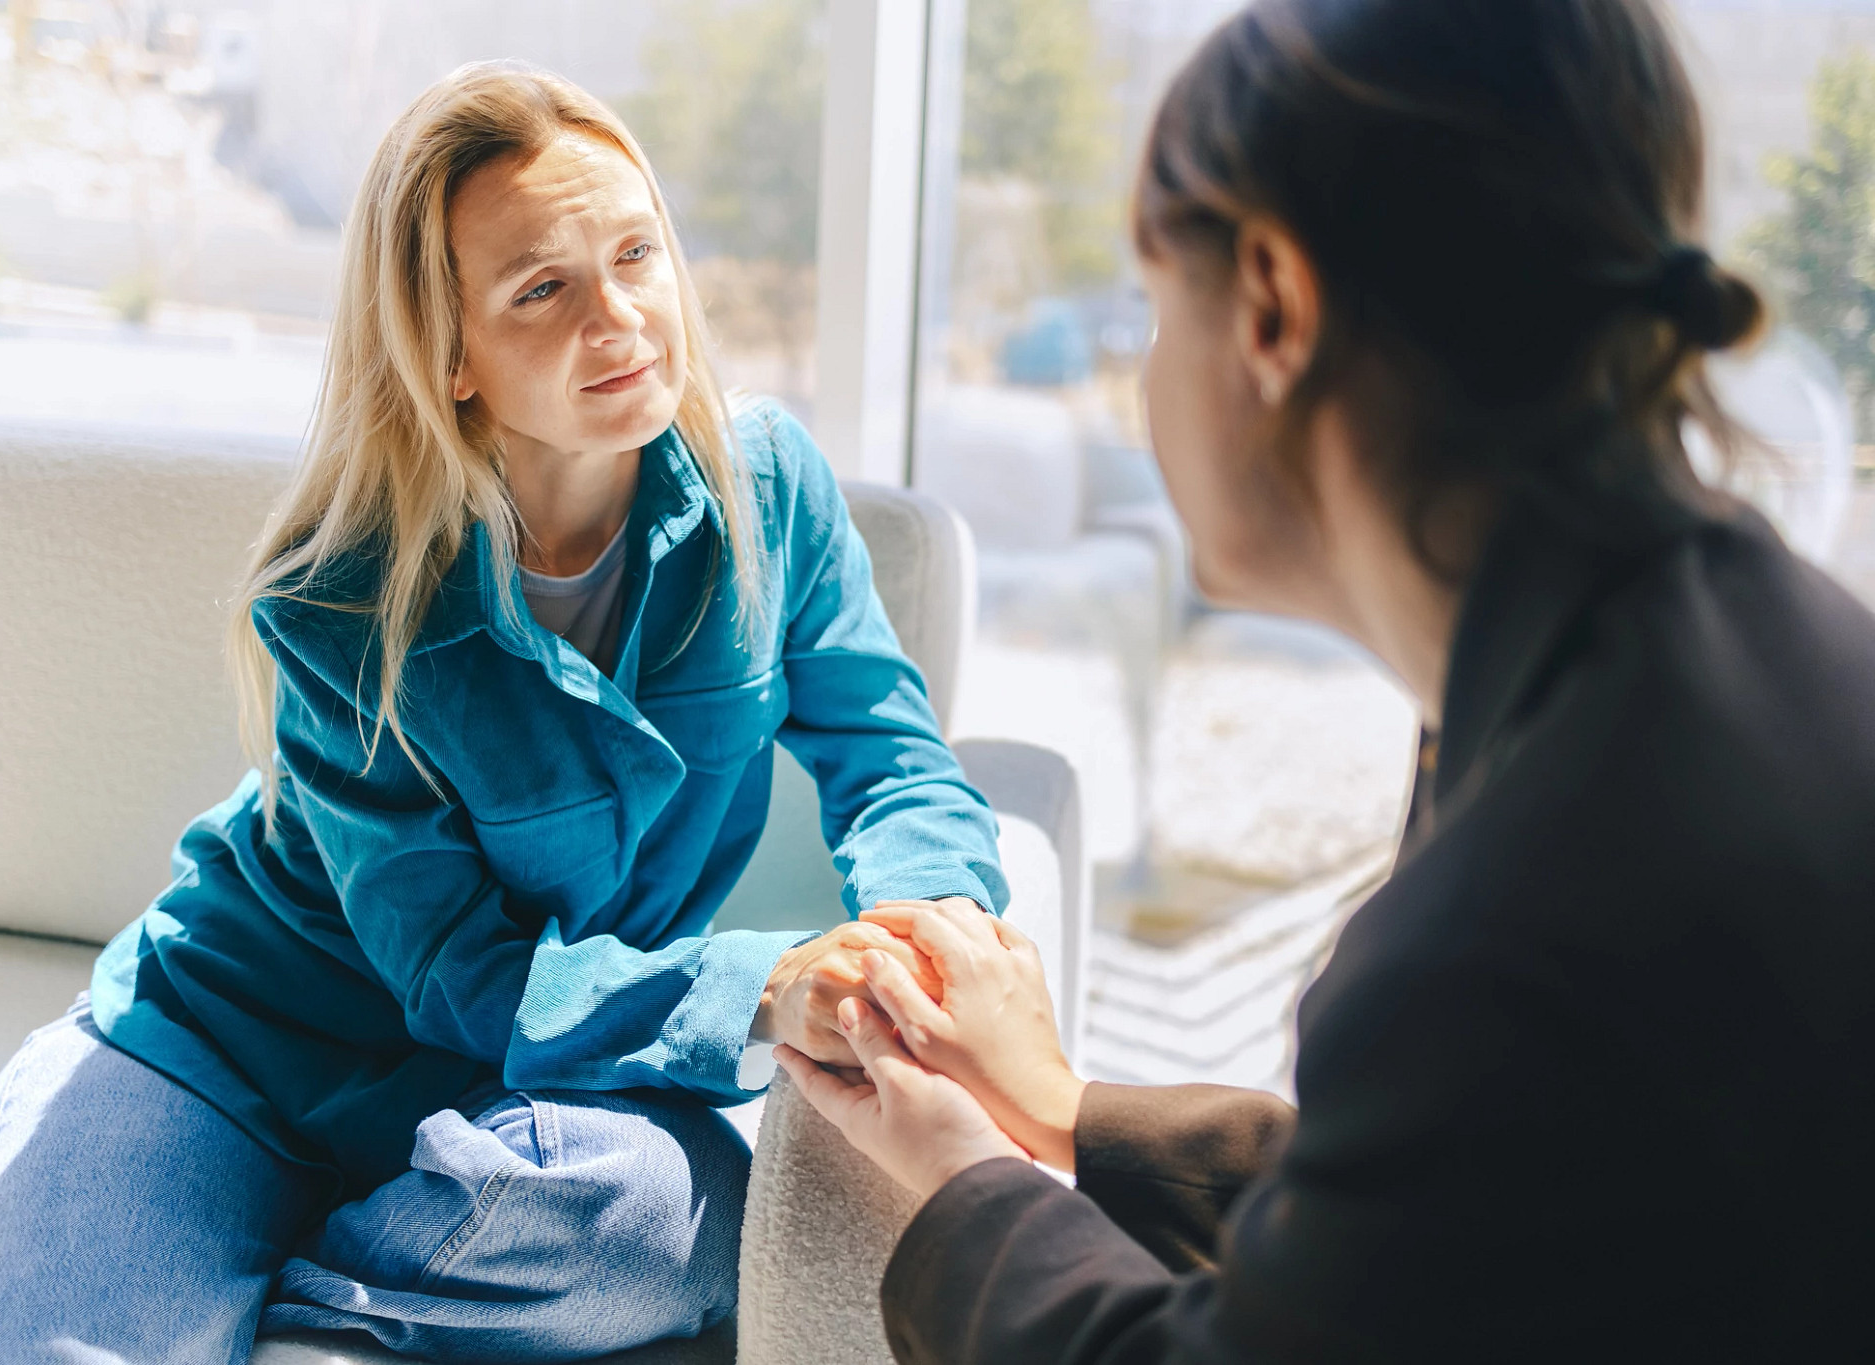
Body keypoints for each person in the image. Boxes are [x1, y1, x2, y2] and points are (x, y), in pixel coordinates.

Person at [781, 1, 1875, 1360]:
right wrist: (1067, 1106)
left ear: (1272, 309)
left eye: (1151, 310)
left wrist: (958, 1177)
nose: (1142, 380)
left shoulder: (1519, 921)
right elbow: (1459, 1198)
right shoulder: (1735, 654)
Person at [0, 62, 1006, 1365]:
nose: (624, 318)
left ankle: (259, 1296)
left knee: (670, 1222)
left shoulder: (771, 494)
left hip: (530, 1102)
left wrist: (936, 938)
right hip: (235, 1045)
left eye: (637, 254)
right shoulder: (338, 603)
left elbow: (895, 764)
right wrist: (763, 981)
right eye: (543, 287)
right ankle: (96, 1189)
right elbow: (462, 974)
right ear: (450, 353)